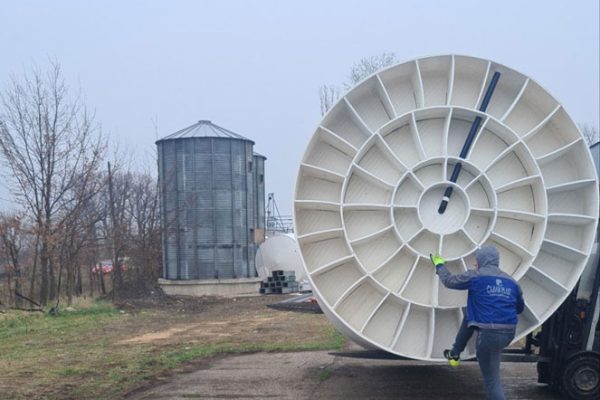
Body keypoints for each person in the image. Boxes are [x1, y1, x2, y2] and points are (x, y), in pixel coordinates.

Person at [430, 245, 524, 400]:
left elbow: (448, 281)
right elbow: (519, 308)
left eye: (476, 260)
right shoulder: (512, 282)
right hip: (508, 332)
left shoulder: (475, 276)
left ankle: (455, 354)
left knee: (492, 382)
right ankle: (454, 354)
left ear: (482, 260)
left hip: (490, 335)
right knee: (470, 314)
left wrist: (439, 265)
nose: (474, 264)